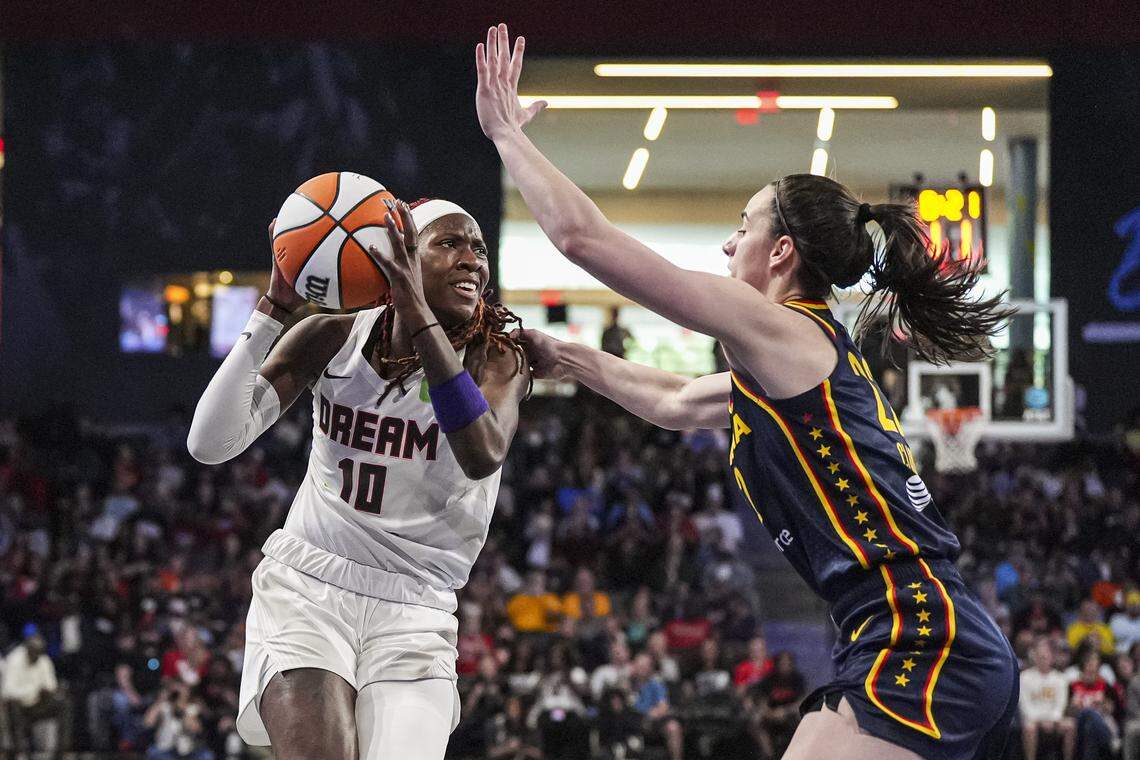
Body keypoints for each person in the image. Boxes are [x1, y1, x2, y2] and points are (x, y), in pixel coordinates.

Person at [474, 23, 1018, 760]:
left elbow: (585, 241)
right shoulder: (786, 369)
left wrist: (507, 135)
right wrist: (565, 357)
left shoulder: (781, 328)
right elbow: (672, 403)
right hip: (901, 629)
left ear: (783, 252)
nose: (730, 244)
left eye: (743, 225)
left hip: (918, 632)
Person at [187, 198, 531, 760]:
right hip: (309, 588)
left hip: (417, 605)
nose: (473, 260)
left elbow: (483, 452)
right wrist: (274, 307)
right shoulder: (331, 336)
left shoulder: (495, 359)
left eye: (479, 248)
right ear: (399, 256)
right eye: (449, 243)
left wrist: (414, 306)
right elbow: (209, 444)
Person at [2, 630, 66, 756]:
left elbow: (51, 685)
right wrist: (32, 690)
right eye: (34, 652)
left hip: (38, 704)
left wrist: (48, 691)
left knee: (63, 703)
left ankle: (61, 752)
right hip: (20, 707)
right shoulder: (14, 660)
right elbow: (7, 691)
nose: (36, 656)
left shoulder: (43, 660)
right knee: (12, 704)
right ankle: (19, 752)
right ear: (27, 649)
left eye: (39, 652)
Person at [1020, 637, 1075, 760]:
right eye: (1040, 656)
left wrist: (1052, 719)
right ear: (1034, 657)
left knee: (1070, 725)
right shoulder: (1025, 677)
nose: (1042, 659)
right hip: (1033, 719)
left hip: (1054, 720)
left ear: (1052, 658)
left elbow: (1061, 704)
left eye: (1045, 657)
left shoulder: (1061, 679)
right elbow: (1024, 704)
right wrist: (1040, 720)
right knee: (1029, 727)